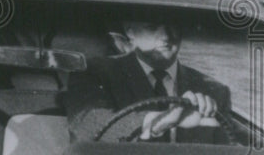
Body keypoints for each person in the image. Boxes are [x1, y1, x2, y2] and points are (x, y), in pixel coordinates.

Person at [66, 10, 232, 143]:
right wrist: (159, 122)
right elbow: (88, 123)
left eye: (173, 25)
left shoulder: (214, 91)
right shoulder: (96, 73)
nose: (166, 37)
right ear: (130, 31)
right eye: (152, 27)